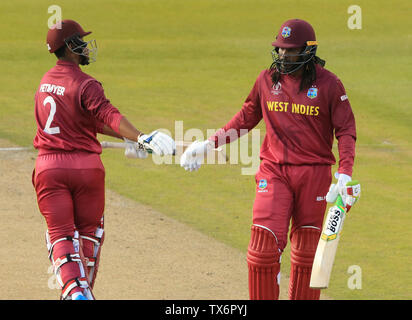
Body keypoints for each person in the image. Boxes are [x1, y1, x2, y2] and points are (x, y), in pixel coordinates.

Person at [180, 19, 357, 300]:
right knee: (262, 251)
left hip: (314, 174)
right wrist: (208, 144)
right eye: (280, 49)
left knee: (306, 253)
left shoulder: (329, 85)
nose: (284, 56)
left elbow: (346, 130)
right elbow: (246, 117)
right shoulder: (267, 79)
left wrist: (344, 173)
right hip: (274, 171)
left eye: (290, 51)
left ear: (308, 51)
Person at [32, 19, 175, 300]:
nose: (86, 46)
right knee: (89, 235)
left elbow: (86, 120)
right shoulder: (85, 84)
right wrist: (142, 137)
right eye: (81, 42)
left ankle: (75, 293)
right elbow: (107, 114)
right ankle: (80, 292)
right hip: (87, 170)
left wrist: (133, 139)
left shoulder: (45, 82)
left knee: (60, 236)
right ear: (71, 47)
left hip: (49, 169)